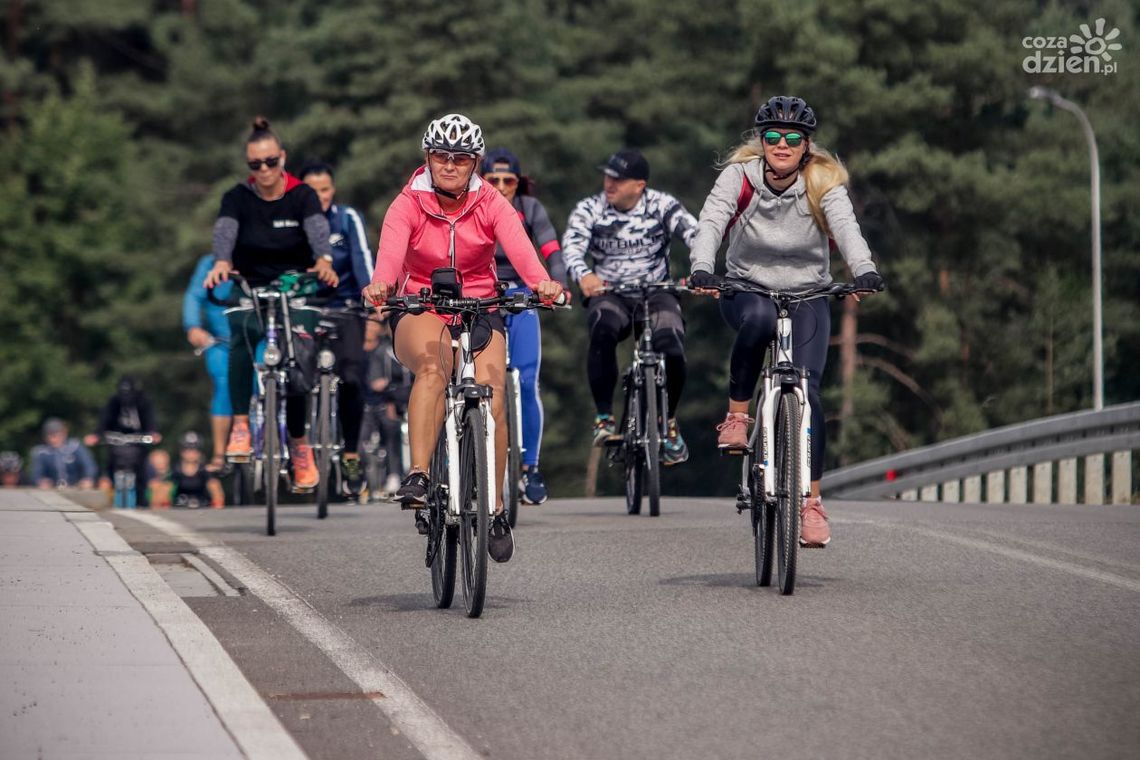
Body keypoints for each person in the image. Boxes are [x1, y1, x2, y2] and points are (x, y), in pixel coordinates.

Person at [362, 113, 563, 563]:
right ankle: (419, 475)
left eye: (461, 158)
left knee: (493, 396)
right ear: (427, 157)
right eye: (441, 156)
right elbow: (390, 256)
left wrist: (543, 283)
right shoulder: (408, 203)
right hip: (422, 305)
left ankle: (495, 509)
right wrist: (381, 284)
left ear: (476, 162)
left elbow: (521, 250)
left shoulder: (490, 201)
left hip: (479, 306)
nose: (450, 165)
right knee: (433, 369)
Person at [687, 95, 885, 548]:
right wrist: (702, 267)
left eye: (792, 138)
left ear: (806, 145)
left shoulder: (821, 181)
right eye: (772, 136)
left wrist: (865, 270)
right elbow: (711, 222)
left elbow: (846, 228)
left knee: (809, 391)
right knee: (758, 320)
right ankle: (737, 416)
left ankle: (811, 502)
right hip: (746, 288)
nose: (781, 144)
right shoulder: (739, 177)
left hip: (808, 293)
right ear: (761, 142)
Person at [203, 117, 338, 490]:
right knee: (241, 336)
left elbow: (317, 229)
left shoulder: (302, 195)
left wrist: (324, 260)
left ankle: (299, 444)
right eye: (255, 164)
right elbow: (225, 232)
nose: (264, 170)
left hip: (295, 284)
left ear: (283, 158)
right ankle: (241, 425)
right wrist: (222, 262)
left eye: (270, 162)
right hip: (251, 285)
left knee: (299, 358)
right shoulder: (237, 198)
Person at [562, 148, 698, 465]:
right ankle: (604, 418)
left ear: (639, 185)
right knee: (602, 328)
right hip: (611, 292)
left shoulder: (662, 205)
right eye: (607, 176)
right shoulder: (590, 208)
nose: (609, 184)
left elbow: (695, 234)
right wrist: (583, 274)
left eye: (619, 179)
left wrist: (702, 269)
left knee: (672, 344)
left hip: (656, 291)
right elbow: (572, 246)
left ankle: (669, 422)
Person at [480, 148, 568, 504]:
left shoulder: (530, 209)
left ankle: (531, 467)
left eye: (509, 181)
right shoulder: (472, 205)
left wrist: (558, 286)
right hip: (480, 294)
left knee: (527, 381)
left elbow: (552, 252)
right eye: (493, 180)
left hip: (519, 292)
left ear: (519, 183)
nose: (501, 187)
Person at [298, 161, 375, 496]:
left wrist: (372, 299)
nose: (321, 197)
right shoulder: (292, 220)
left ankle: (351, 455)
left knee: (353, 380)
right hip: (305, 306)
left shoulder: (347, 218)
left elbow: (362, 259)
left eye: (326, 189)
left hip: (346, 307)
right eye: (312, 191)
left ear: (334, 190)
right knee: (295, 377)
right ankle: (298, 448)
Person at [183, 254, 233, 471]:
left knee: (262, 385)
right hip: (220, 341)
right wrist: (193, 326)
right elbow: (194, 295)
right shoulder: (209, 263)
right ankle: (220, 454)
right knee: (223, 386)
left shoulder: (257, 254)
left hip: (257, 339)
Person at [86, 376, 161, 506]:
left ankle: (141, 499)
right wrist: (97, 435)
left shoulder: (143, 401)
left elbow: (150, 419)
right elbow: (105, 419)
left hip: (137, 443)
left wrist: (153, 432)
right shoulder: (113, 401)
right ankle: (110, 492)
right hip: (117, 443)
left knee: (142, 469)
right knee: (108, 467)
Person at [362, 316, 411, 496]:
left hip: (394, 400)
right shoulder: (373, 351)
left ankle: (395, 474)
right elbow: (375, 382)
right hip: (373, 402)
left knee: (392, 430)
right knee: (363, 437)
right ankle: (363, 479)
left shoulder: (397, 349)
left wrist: (391, 391)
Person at [31, 419, 98, 489]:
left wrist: (88, 478)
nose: (54, 439)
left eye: (57, 435)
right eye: (51, 436)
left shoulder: (75, 447)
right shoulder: (42, 453)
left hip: (76, 487)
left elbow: (89, 466)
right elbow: (36, 473)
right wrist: (40, 481)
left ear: (64, 434)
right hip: (53, 489)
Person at [170, 431, 225, 508]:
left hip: (203, 503)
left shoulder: (205, 469)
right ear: (181, 451)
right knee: (164, 486)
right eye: (188, 449)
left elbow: (214, 487)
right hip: (179, 503)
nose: (191, 453)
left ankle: (218, 508)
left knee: (214, 484)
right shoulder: (176, 469)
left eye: (195, 450)